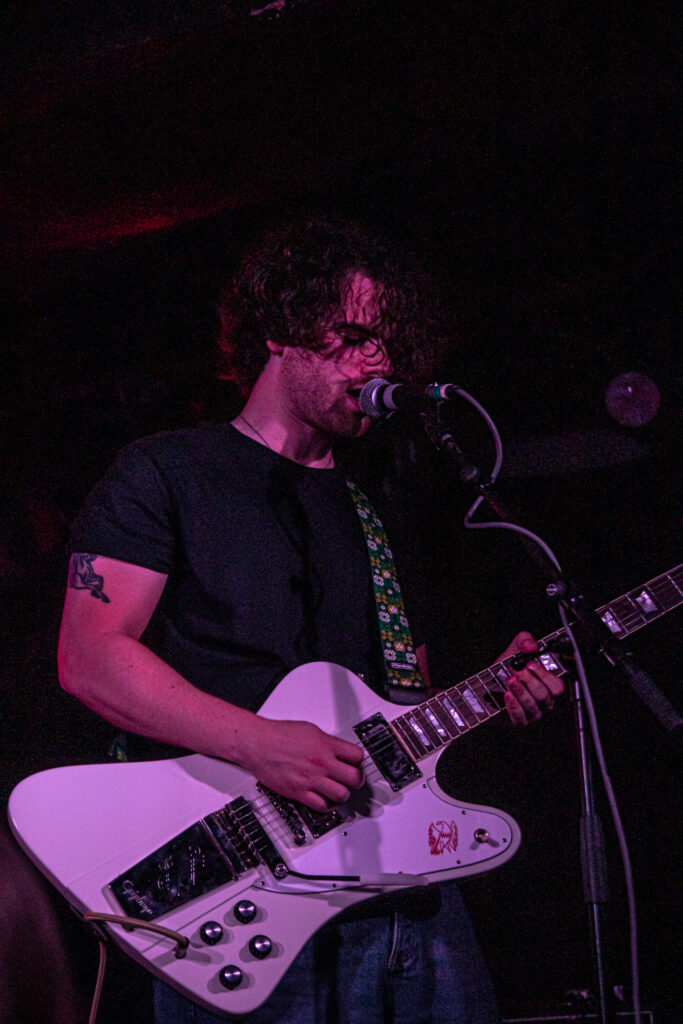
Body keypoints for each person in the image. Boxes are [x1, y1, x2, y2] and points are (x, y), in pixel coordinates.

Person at [58, 216, 564, 1023]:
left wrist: (493, 694)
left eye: (392, 347)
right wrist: (258, 743)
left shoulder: (378, 505)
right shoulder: (166, 472)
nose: (379, 365)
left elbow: (407, 705)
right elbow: (90, 658)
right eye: (356, 336)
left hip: (403, 890)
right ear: (283, 332)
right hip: (236, 888)